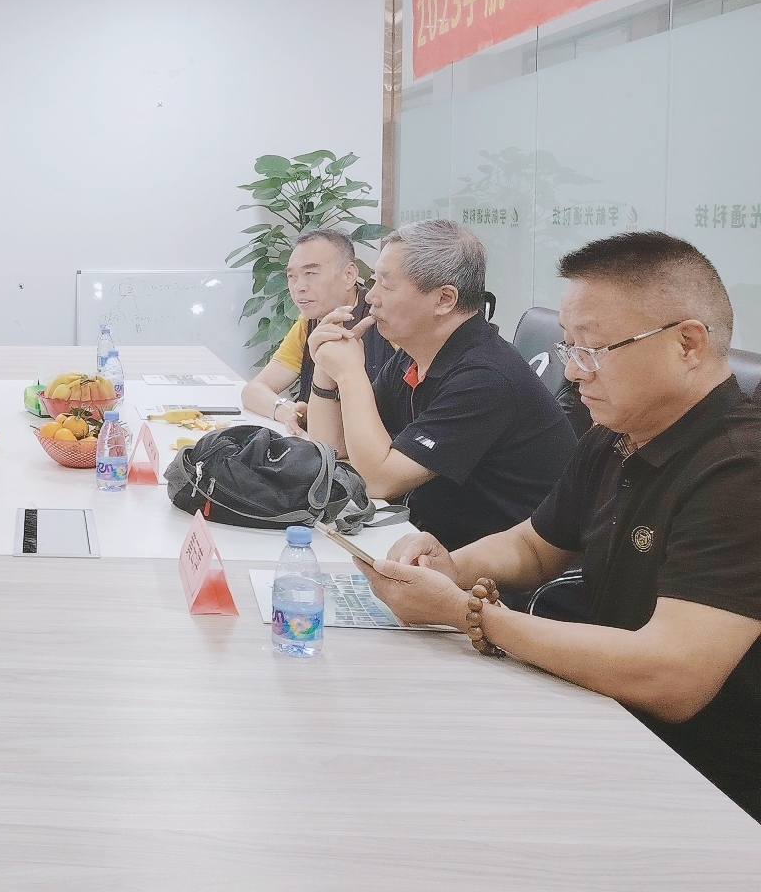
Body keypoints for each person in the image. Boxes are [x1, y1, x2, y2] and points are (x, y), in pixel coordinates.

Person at [356, 232, 761, 820]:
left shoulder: (740, 470)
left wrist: (471, 614)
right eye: (569, 347)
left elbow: (672, 675)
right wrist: (448, 567)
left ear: (688, 343)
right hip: (607, 718)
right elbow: (534, 546)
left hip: (704, 785)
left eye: (593, 350)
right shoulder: (617, 435)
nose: (572, 372)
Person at [304, 218, 576, 550]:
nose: (370, 297)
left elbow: (379, 480)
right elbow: (333, 451)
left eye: (386, 285)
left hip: (486, 566)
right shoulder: (414, 356)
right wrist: (325, 369)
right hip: (423, 540)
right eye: (373, 280)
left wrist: (350, 374)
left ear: (444, 299)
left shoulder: (485, 378)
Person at [240, 228, 392, 434]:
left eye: (310, 274)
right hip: (320, 444)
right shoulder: (309, 323)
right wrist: (287, 410)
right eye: (292, 276)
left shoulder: (385, 322)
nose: (298, 287)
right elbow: (254, 390)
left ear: (349, 275)